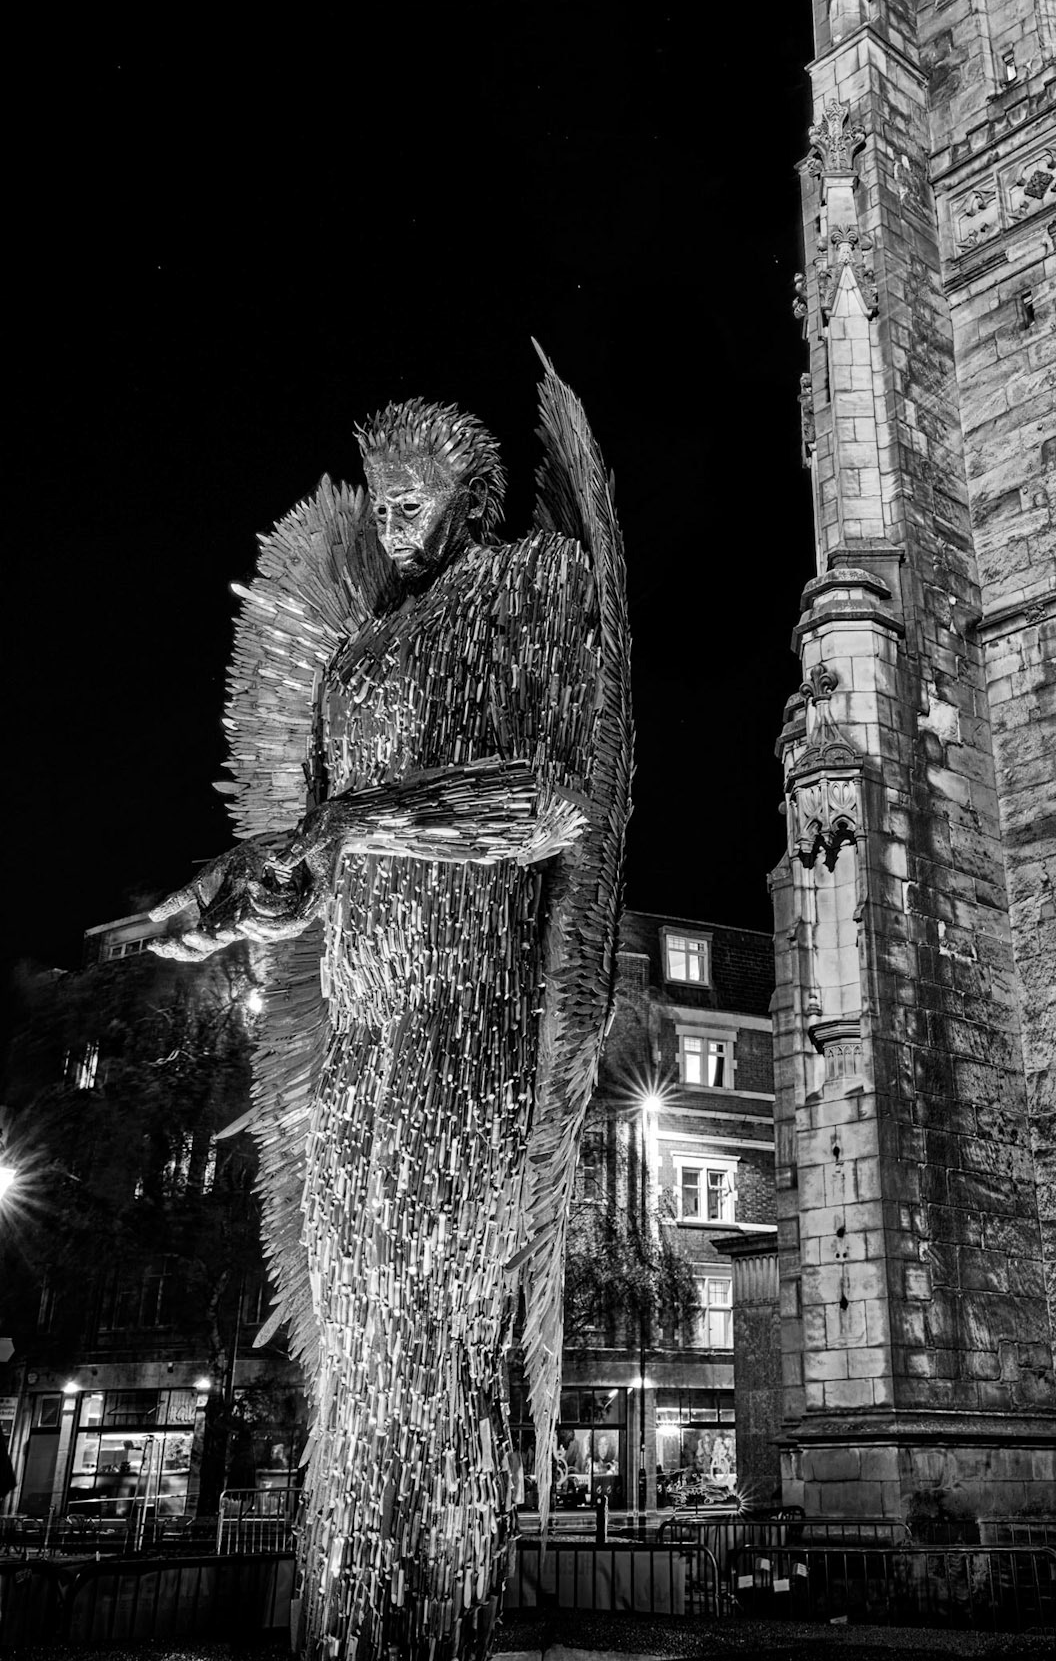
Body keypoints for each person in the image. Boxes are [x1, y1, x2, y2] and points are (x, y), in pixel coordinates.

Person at [153, 369, 630, 1660]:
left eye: (409, 496)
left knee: (446, 1365)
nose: (388, 518)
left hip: (467, 1055)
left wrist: (356, 820)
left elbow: (554, 806)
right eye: (377, 500)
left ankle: (439, 1623)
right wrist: (238, 899)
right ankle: (350, 1624)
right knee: (358, 1383)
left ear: (471, 493)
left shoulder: (533, 589)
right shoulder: (359, 656)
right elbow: (319, 868)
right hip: (360, 1061)